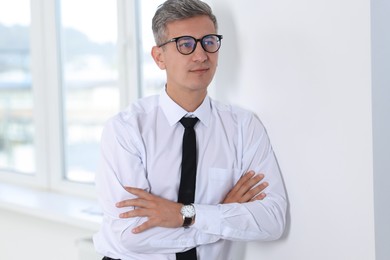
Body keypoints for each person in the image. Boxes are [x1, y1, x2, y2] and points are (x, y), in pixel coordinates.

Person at [93, 0, 287, 259]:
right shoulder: (127, 130)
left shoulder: (243, 127)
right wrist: (220, 214)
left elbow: (272, 220)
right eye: (185, 44)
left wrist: (185, 215)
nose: (201, 55)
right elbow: (130, 235)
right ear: (159, 57)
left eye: (209, 41)